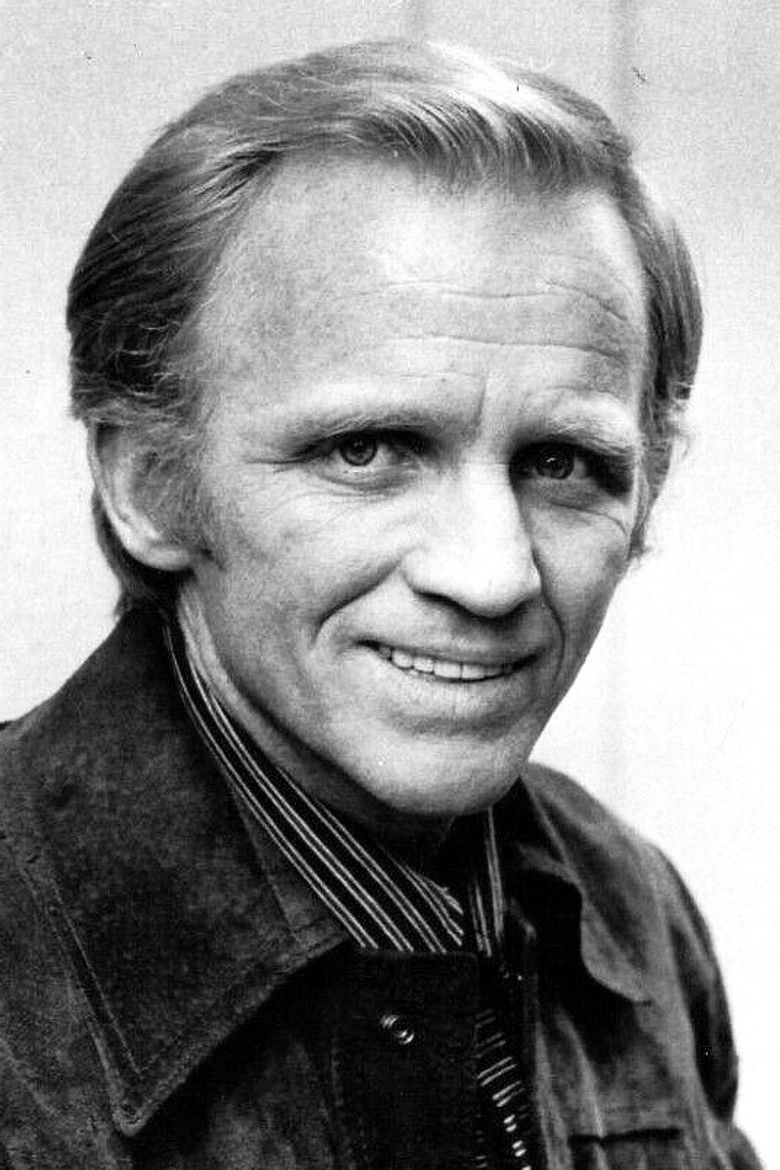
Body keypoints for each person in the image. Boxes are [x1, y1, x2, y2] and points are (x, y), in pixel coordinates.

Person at [0, 39, 762, 1170]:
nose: (494, 575)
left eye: (561, 463)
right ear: (149, 483)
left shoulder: (629, 901)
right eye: (368, 450)